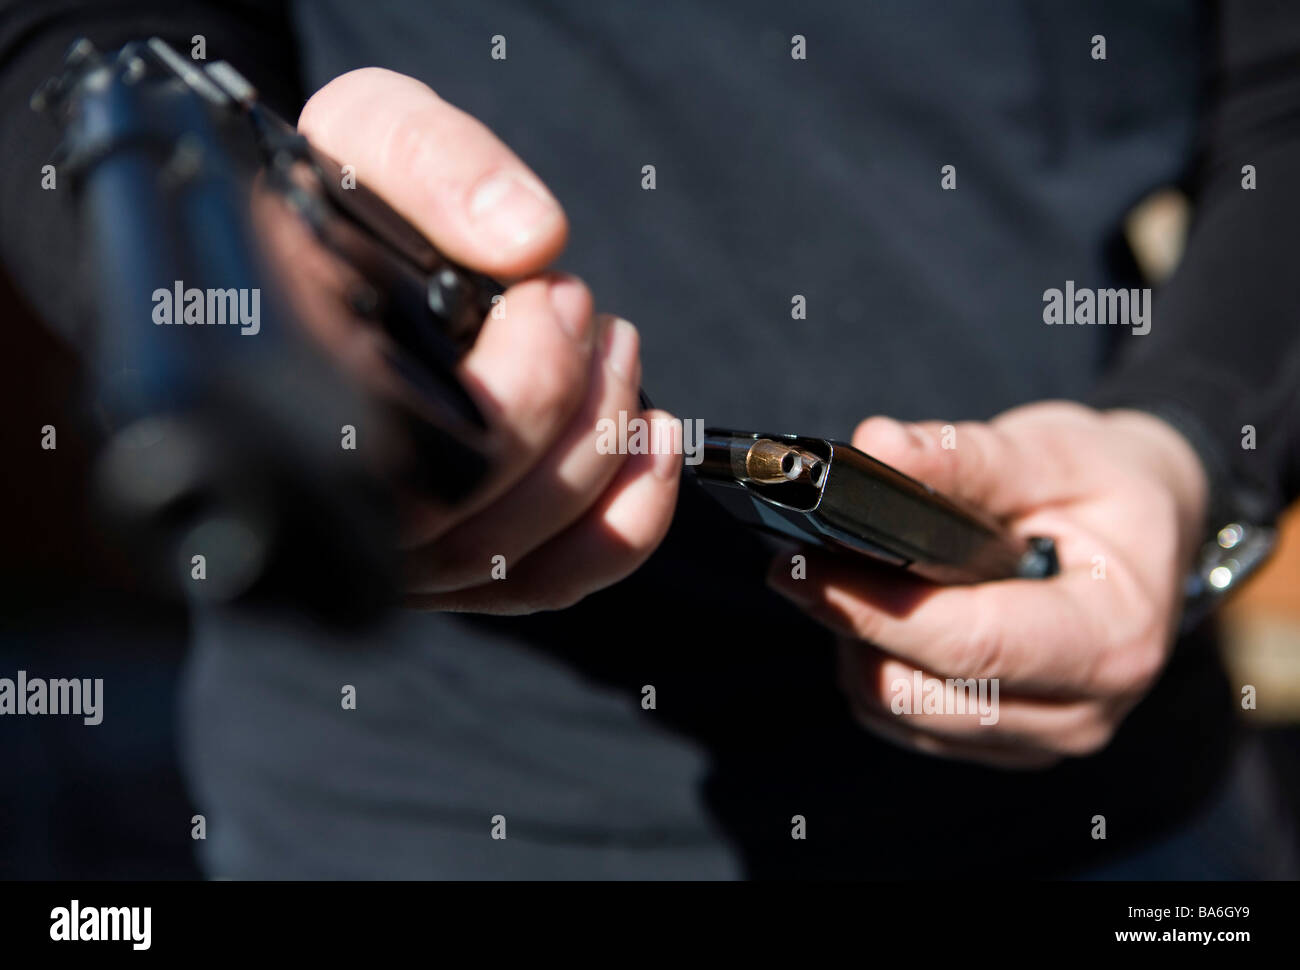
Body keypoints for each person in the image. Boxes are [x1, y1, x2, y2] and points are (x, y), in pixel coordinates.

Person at [2, 0, 1298, 878]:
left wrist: (1194, 443)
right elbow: (62, 39)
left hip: (1103, 825)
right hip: (406, 816)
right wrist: (213, 251)